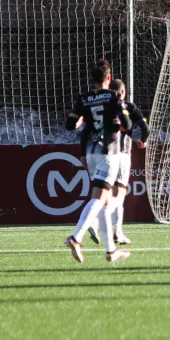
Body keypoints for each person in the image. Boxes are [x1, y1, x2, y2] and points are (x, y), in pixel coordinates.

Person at [64, 59, 132, 263]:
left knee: (106, 202)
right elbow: (127, 124)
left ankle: (111, 251)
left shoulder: (83, 98)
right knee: (100, 198)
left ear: (93, 78)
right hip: (109, 151)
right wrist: (119, 121)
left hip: (91, 152)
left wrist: (81, 120)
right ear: (109, 78)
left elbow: (70, 124)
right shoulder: (113, 96)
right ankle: (76, 236)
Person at [85, 79, 149, 246]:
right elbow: (145, 128)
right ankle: (98, 223)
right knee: (119, 195)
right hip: (121, 154)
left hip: (104, 152)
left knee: (107, 193)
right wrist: (143, 140)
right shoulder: (128, 107)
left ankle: (115, 231)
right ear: (123, 92)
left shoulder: (104, 106)